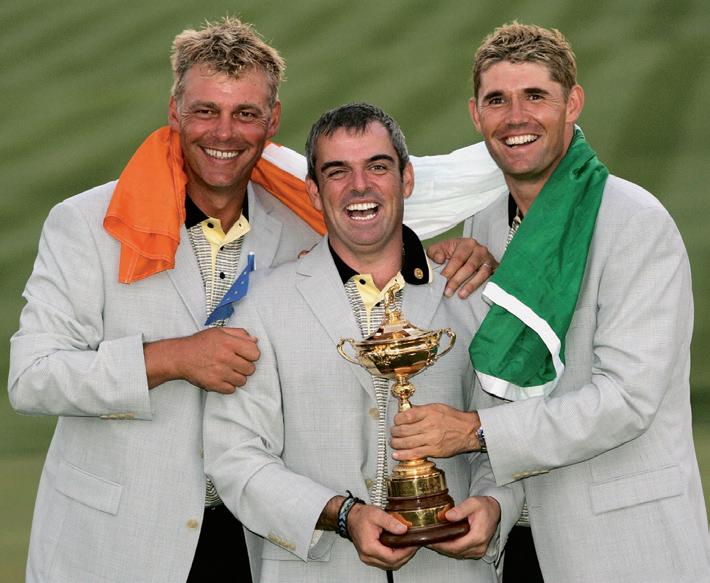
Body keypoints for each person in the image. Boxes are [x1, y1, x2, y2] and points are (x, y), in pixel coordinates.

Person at [8, 17, 504, 583]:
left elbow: (374, 255)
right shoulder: (86, 224)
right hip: (118, 541)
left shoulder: (298, 227)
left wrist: (461, 254)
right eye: (205, 111)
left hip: (256, 541)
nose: (224, 133)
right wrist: (169, 358)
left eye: (245, 114)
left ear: (272, 122)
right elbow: (32, 377)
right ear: (175, 112)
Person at [390, 22, 710, 583]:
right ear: (476, 115)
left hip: (625, 546)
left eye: (535, 96)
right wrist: (493, 503)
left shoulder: (636, 223)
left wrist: (474, 432)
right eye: (497, 100)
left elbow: (627, 401)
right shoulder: (486, 224)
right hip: (520, 543)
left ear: (573, 104)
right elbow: (503, 383)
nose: (516, 117)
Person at [203, 102, 522, 583]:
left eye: (377, 166)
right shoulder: (261, 306)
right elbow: (235, 456)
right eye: (337, 172)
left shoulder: (471, 293)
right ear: (313, 191)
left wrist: (494, 506)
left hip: (451, 571)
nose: (359, 186)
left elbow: (509, 432)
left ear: (406, 179)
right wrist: (341, 515)